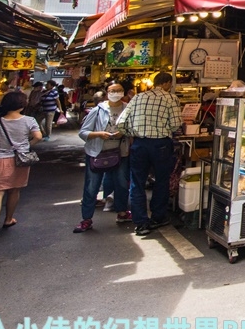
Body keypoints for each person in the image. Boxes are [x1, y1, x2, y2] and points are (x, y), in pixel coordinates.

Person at [116, 71, 183, 237]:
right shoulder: (170, 98)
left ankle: (140, 223)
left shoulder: (138, 97)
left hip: (139, 144)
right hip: (161, 144)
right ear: (167, 83)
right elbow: (176, 125)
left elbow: (121, 123)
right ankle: (158, 217)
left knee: (137, 182)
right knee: (161, 180)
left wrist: (133, 134)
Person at [0, 90, 42, 238]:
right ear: (22, 105)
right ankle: (8, 219)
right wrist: (27, 145)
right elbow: (38, 137)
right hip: (19, 160)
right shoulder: (29, 121)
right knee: (14, 191)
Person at [74, 82, 132, 232]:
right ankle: (86, 219)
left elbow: (133, 129)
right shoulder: (97, 110)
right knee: (91, 187)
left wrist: (125, 133)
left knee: (121, 184)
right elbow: (83, 133)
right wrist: (99, 134)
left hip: (120, 153)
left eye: (119, 90)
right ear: (107, 93)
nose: (116, 93)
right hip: (97, 153)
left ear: (123, 92)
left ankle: (122, 213)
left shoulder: (128, 109)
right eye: (112, 91)